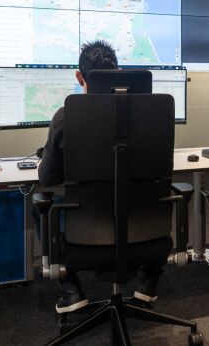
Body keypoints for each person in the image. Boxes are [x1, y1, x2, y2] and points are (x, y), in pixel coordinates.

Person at [38, 39, 163, 314]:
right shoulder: (152, 113)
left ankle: (70, 287)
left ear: (79, 77)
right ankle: (148, 282)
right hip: (144, 228)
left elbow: (48, 178)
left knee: (39, 203)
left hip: (86, 233)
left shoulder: (66, 116)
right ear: (118, 72)